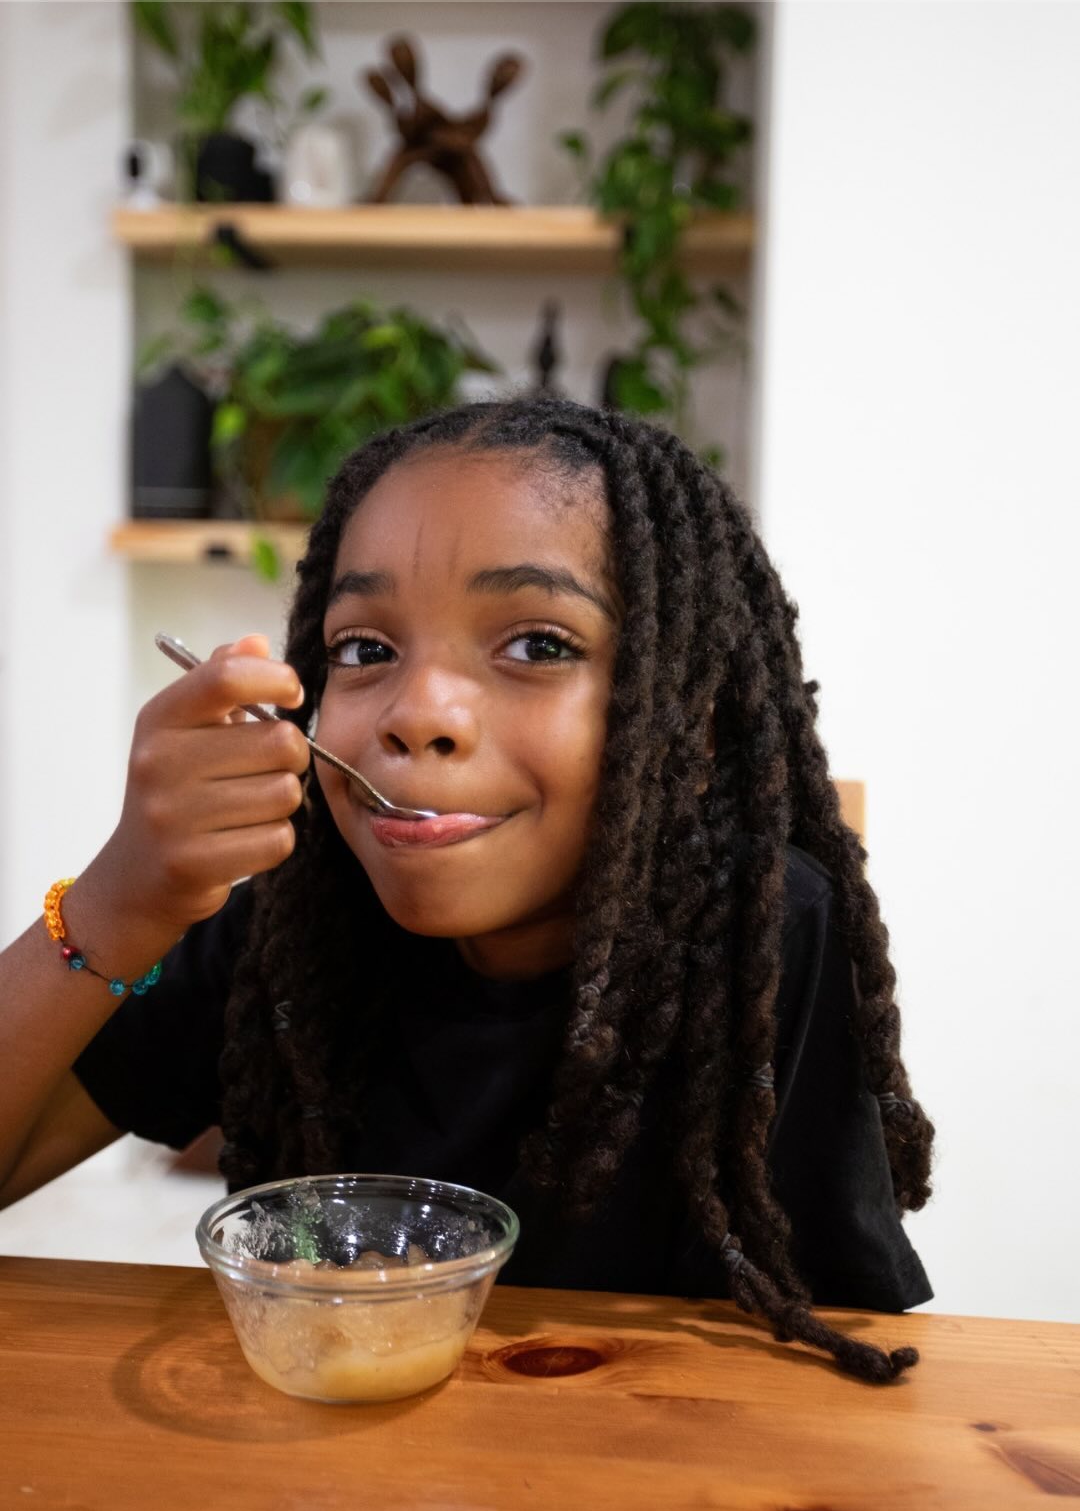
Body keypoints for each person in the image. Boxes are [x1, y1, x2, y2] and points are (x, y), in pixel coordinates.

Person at [0, 395, 935, 1384]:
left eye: (536, 644)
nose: (418, 713)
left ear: (686, 717)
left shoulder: (759, 940)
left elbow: (821, 1367)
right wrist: (124, 898)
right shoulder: (294, 922)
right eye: (364, 650)